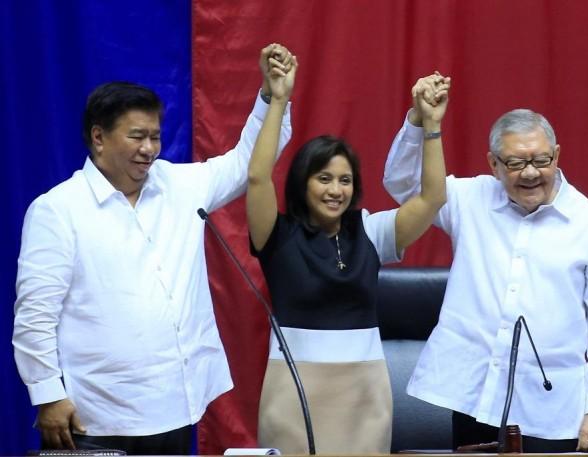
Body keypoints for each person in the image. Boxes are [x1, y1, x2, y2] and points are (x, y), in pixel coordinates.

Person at [13, 44, 294, 454]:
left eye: (156, 136)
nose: (149, 149)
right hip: (95, 416)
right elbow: (35, 315)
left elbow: (247, 163)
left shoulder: (178, 186)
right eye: (137, 137)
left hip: (177, 405)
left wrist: (271, 97)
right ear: (98, 138)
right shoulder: (58, 210)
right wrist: (47, 394)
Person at [383, 105, 588, 452]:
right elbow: (404, 184)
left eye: (541, 160)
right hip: (476, 401)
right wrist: (417, 122)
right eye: (515, 163)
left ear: (557, 156)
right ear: (493, 164)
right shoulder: (470, 199)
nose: (530, 173)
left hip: (552, 412)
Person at [246, 53, 451, 453]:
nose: (335, 190)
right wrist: (278, 99)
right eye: (323, 178)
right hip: (293, 389)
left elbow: (432, 198)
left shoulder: (370, 230)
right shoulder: (276, 233)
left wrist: (431, 125)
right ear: (303, 183)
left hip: (365, 392)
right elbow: (257, 175)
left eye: (344, 180)